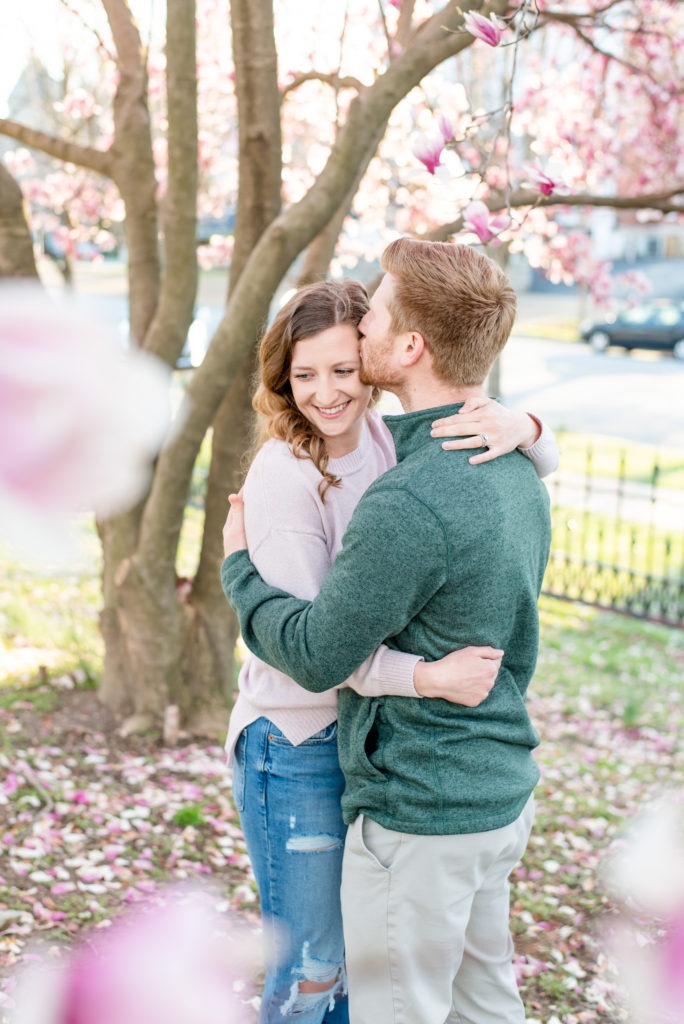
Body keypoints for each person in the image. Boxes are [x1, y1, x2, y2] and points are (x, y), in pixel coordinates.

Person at [222, 240, 553, 1024]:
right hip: (344, 749)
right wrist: (530, 429)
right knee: (348, 978)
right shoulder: (497, 468)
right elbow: (311, 657)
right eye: (306, 373)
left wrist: (530, 425)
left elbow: (317, 647)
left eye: (352, 352)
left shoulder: (411, 476)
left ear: (405, 348)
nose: (331, 384)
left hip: (415, 785)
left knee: (389, 999)